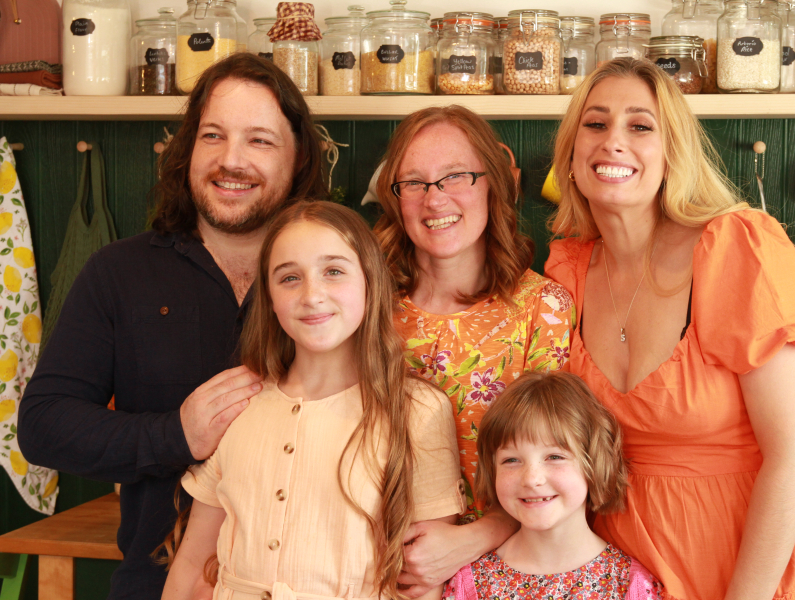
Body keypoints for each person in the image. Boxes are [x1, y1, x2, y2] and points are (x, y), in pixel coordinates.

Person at [18, 53, 327, 600]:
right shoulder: (118, 273)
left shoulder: (339, 282)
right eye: (213, 136)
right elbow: (44, 425)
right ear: (187, 149)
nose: (231, 160)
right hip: (156, 584)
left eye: (259, 140)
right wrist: (174, 435)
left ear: (298, 157)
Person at [544, 58, 795, 600]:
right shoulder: (566, 274)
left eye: (640, 126)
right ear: (570, 154)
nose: (613, 141)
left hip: (752, 578)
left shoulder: (736, 250)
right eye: (595, 123)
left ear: (673, 153)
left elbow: (793, 453)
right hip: (624, 580)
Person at [161, 200, 464, 600]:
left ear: (370, 281)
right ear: (269, 298)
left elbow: (424, 581)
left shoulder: (416, 411)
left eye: (333, 271)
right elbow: (191, 563)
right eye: (289, 278)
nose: (312, 295)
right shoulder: (240, 402)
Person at [372, 106, 576, 596]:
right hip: (375, 566)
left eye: (456, 176)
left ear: (493, 185)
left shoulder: (543, 308)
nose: (434, 198)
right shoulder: (366, 306)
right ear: (395, 198)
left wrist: (470, 540)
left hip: (506, 568)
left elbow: (556, 466)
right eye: (414, 182)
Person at [443, 371, 661, 600]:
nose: (531, 479)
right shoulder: (470, 584)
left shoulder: (629, 585)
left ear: (594, 462)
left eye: (554, 457)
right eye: (511, 460)